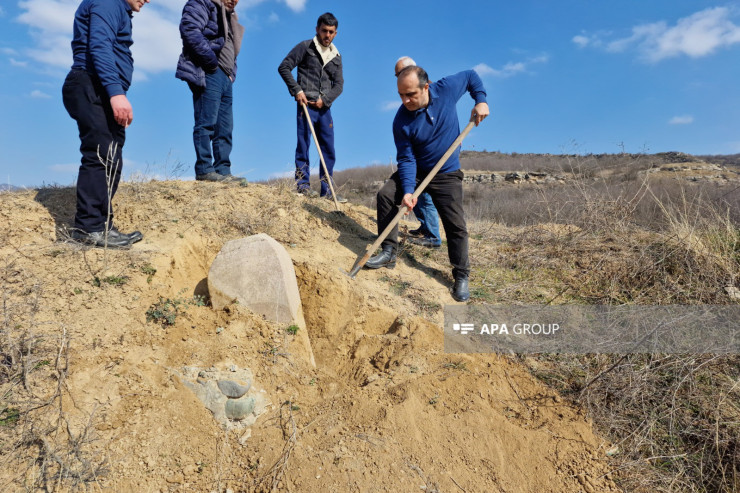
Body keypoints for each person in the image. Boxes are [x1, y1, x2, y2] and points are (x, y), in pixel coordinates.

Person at [365, 66, 489, 302]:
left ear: (426, 87)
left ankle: (461, 275)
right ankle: (389, 251)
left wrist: (481, 100)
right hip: (419, 171)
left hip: (446, 172)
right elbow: (406, 158)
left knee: (455, 225)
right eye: (401, 95)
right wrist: (409, 190)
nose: (406, 100)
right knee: (386, 194)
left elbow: (471, 76)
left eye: (411, 94)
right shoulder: (401, 121)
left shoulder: (446, 90)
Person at [62, 0, 149, 249]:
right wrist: (115, 93)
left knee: (111, 155)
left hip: (99, 87)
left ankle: (102, 225)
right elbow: (99, 46)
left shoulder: (116, 7)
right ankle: (89, 229)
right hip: (92, 85)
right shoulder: (109, 2)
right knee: (101, 155)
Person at [278, 12, 346, 202]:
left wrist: (325, 100)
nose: (327, 35)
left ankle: (328, 191)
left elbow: (339, 85)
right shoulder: (305, 47)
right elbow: (284, 67)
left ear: (335, 33)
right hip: (305, 106)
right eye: (324, 31)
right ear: (317, 29)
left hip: (324, 109)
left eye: (331, 32)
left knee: (328, 149)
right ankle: (303, 186)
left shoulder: (336, 56)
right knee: (303, 145)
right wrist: (297, 90)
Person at [176, 0, 245, 183]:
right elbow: (190, 30)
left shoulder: (229, 15)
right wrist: (211, 64)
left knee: (225, 127)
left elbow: (231, 47)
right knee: (206, 122)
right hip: (210, 70)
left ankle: (223, 170)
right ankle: (205, 169)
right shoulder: (201, 3)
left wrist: (231, 73)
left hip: (225, 75)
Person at [394, 57, 441, 249]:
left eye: (401, 73)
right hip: (418, 155)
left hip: (435, 157)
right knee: (417, 194)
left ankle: (433, 236)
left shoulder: (432, 91)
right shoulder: (407, 104)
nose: (399, 78)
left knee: (426, 195)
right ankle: (425, 227)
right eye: (397, 75)